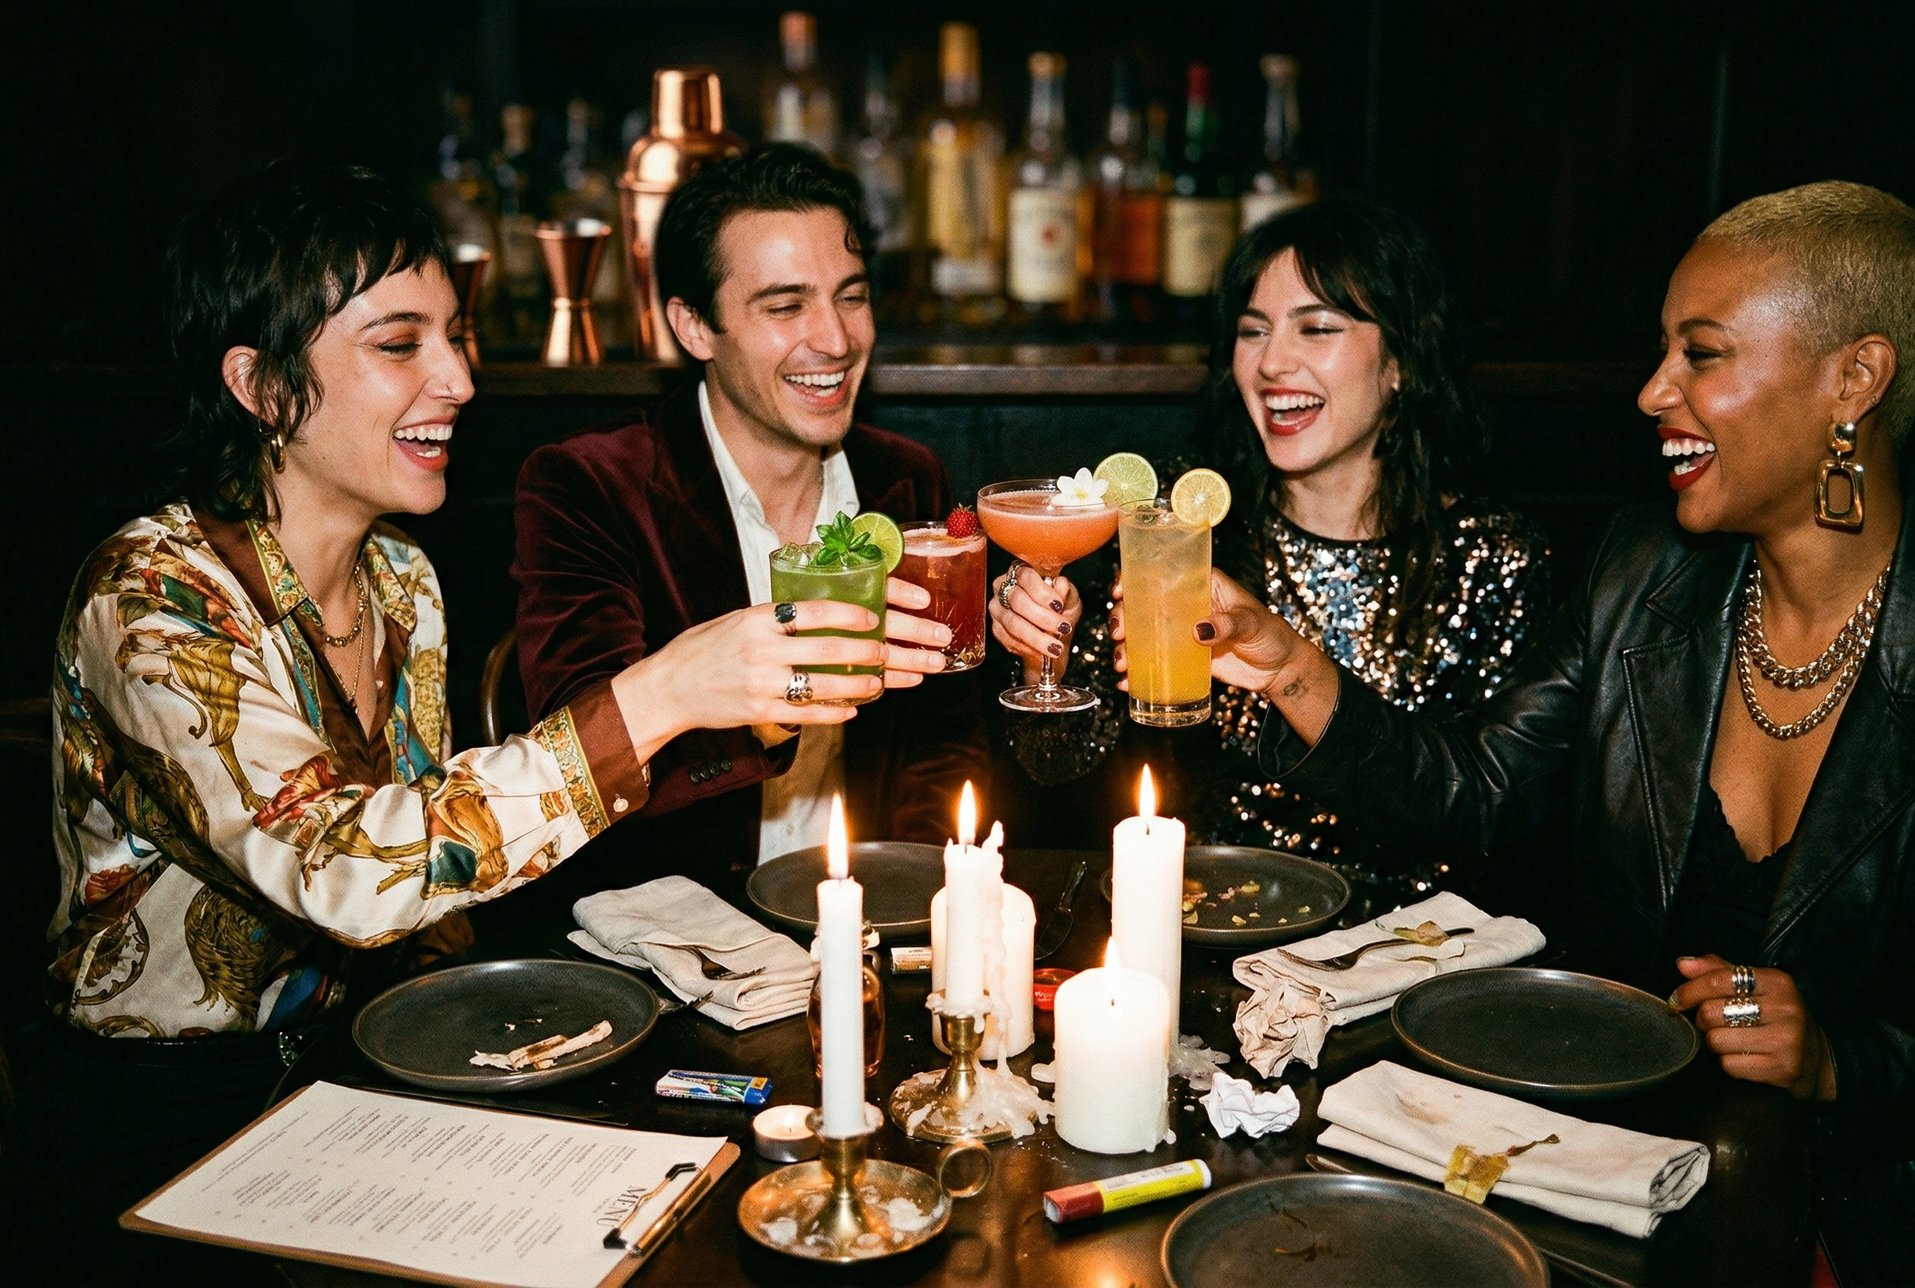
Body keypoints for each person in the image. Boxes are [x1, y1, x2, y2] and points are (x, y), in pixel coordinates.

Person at [20, 161, 911, 1266]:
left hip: (370, 1067)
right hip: (169, 1120)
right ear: (258, 385)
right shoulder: (152, 598)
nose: (458, 379)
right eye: (400, 346)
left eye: (456, 336)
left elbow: (433, 885)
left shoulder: (402, 580)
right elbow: (345, 867)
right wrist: (666, 690)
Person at [1158, 180, 1915, 1272]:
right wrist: (1289, 665)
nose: (1654, 390)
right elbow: (1471, 794)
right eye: (1663, 351)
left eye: (1701, 355)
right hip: (1594, 1174)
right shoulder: (1642, 574)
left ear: (1856, 378)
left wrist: (1845, 1061)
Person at [992, 198, 1548, 903]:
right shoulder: (1179, 529)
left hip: (1418, 949)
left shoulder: (1491, 555)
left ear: (1402, 361)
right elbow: (1058, 772)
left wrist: (1290, 670)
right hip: (1214, 927)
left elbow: (1495, 820)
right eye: (1252, 332)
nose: (1273, 362)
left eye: (1317, 328)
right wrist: (1048, 654)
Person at [513, 144, 988, 898]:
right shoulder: (589, 485)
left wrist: (911, 905)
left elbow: (938, 745)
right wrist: (764, 715)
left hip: (863, 921)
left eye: (852, 296)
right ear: (695, 327)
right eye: (785, 305)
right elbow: (580, 762)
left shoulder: (906, 480)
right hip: (678, 939)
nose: (834, 339)